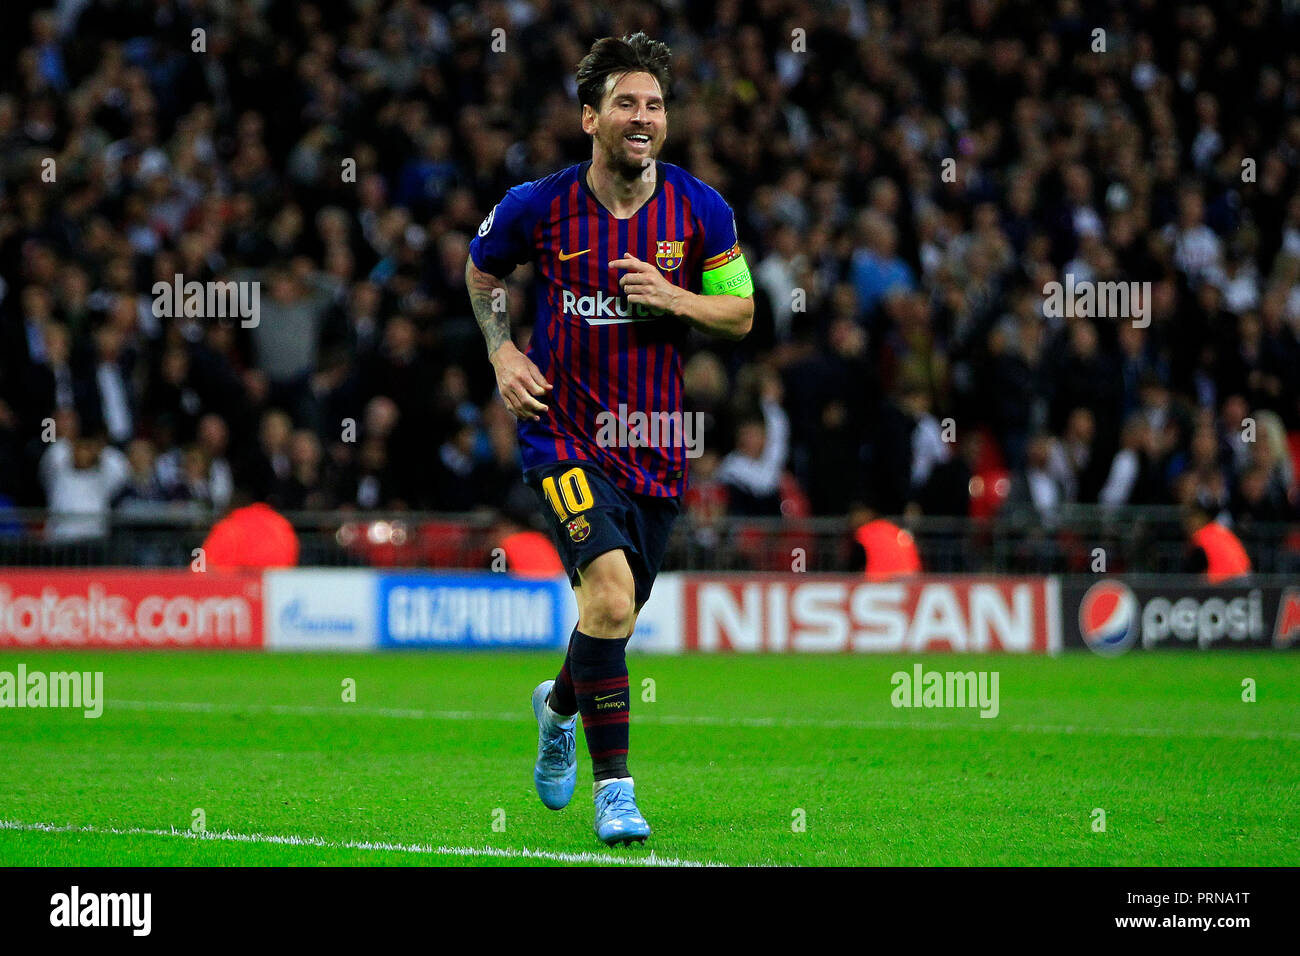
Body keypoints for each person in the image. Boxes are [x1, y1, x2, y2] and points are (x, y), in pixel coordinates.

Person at [465, 33, 753, 846]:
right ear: (589, 117)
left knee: (609, 616)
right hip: (562, 436)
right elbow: (482, 271)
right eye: (626, 102)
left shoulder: (702, 210)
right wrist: (502, 351)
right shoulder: (538, 205)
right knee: (613, 596)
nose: (643, 116)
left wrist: (675, 298)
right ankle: (615, 792)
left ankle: (558, 708)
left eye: (655, 104)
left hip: (657, 446)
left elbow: (742, 311)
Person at [848, 502, 922, 580]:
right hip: (910, 580)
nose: (853, 520)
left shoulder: (865, 532)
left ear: (869, 513)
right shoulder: (894, 529)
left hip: (880, 581)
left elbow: (853, 565)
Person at [1181, 504, 1251, 583]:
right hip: (1245, 576)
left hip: (1223, 581)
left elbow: (1195, 565)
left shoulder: (1200, 535)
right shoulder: (1220, 530)